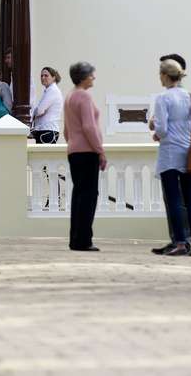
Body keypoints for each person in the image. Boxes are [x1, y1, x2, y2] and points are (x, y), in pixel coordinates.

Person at [149, 59, 191, 256]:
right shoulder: (190, 96)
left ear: (164, 76)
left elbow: (161, 128)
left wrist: (154, 128)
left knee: (174, 199)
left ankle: (179, 242)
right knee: (190, 199)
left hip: (170, 154)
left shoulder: (163, 98)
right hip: (189, 153)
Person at [63, 62, 106, 252]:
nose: (94, 77)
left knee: (79, 194)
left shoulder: (69, 96)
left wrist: (73, 142)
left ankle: (75, 238)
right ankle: (84, 239)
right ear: (84, 77)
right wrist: (100, 150)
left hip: (74, 151)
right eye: (91, 74)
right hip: (87, 152)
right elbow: (89, 127)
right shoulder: (84, 97)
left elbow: (66, 130)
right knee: (89, 196)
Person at [32, 67, 64, 144]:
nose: (43, 77)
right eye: (41, 76)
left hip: (47, 130)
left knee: (44, 156)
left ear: (53, 77)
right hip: (45, 130)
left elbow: (39, 111)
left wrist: (36, 112)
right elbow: (40, 111)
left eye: (46, 75)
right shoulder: (48, 90)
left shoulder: (52, 90)